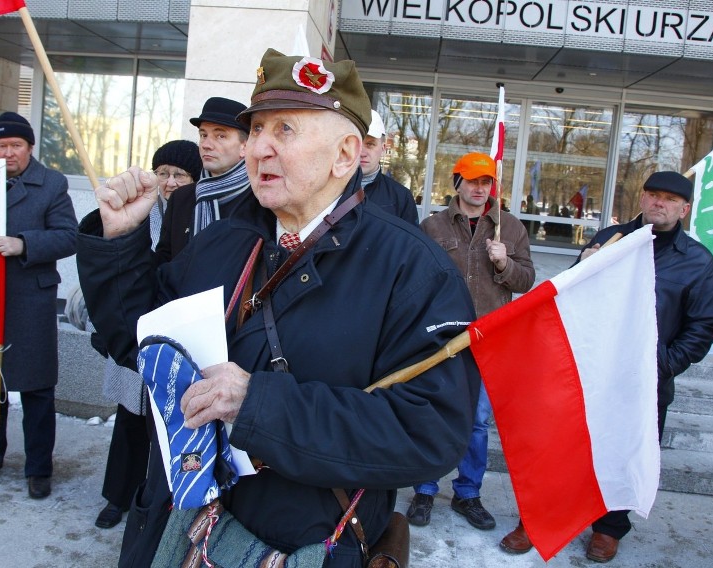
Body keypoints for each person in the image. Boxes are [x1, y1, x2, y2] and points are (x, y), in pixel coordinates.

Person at [77, 48, 480, 566]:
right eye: (257, 129)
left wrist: (259, 406)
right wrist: (120, 242)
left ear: (345, 154)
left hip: (303, 548)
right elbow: (138, 342)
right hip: (177, 530)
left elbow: (429, 433)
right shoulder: (225, 239)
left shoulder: (413, 270)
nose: (258, 149)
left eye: (285, 130)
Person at [499, 170, 713, 563]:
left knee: (621, 456)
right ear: (642, 199)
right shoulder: (608, 240)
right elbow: (569, 300)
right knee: (561, 450)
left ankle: (608, 528)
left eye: (669, 199)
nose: (659, 203)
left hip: (643, 384)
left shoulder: (696, 261)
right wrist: (583, 265)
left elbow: (704, 326)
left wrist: (662, 364)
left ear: (685, 208)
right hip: (589, 375)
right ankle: (537, 520)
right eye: (653, 194)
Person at [406, 152, 535, 529]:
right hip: (441, 339)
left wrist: (504, 263)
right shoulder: (432, 226)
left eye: (487, 182)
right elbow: (414, 277)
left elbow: (526, 281)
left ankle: (468, 494)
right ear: (457, 182)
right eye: (473, 181)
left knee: (477, 422)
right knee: (431, 413)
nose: (480, 189)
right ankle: (425, 489)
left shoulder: (509, 228)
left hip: (489, 339)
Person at [0, 112, 77, 500]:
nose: (8, 153)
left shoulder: (52, 184)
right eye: (1, 146)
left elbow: (68, 237)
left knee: (37, 389)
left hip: (32, 298)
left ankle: (38, 467)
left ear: (29, 147)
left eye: (16, 145)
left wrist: (24, 244)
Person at [94, 140, 202, 529]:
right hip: (136, 331)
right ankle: (116, 496)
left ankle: (158, 501)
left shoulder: (196, 211)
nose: (170, 182)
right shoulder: (138, 211)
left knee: (164, 427)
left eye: (179, 174)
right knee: (128, 419)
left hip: (173, 336)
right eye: (163, 173)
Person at [154, 97, 251, 263]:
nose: (206, 144)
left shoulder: (259, 199)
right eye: (203, 135)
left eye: (220, 136)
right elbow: (164, 261)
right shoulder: (182, 198)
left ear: (245, 146)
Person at [359, 109, 418, 224]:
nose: (362, 152)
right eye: (357, 144)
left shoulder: (401, 197)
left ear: (383, 149)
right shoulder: (329, 190)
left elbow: (409, 241)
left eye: (370, 144)